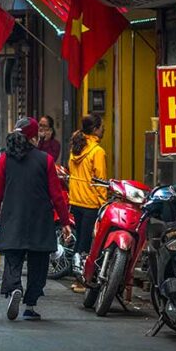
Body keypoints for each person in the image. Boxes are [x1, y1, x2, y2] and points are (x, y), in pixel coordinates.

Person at [0, 117, 71, 321]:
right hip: (40, 218)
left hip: (13, 216)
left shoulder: (5, 159)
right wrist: (65, 221)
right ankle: (30, 305)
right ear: (34, 136)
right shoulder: (46, 160)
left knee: (13, 257)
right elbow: (56, 194)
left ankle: (15, 287)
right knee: (38, 262)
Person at [67, 113, 107, 293]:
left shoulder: (76, 146)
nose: (103, 129)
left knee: (80, 242)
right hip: (90, 202)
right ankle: (82, 280)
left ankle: (77, 278)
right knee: (87, 243)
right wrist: (104, 203)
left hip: (76, 200)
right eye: (102, 126)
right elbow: (100, 181)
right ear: (96, 128)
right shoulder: (97, 152)